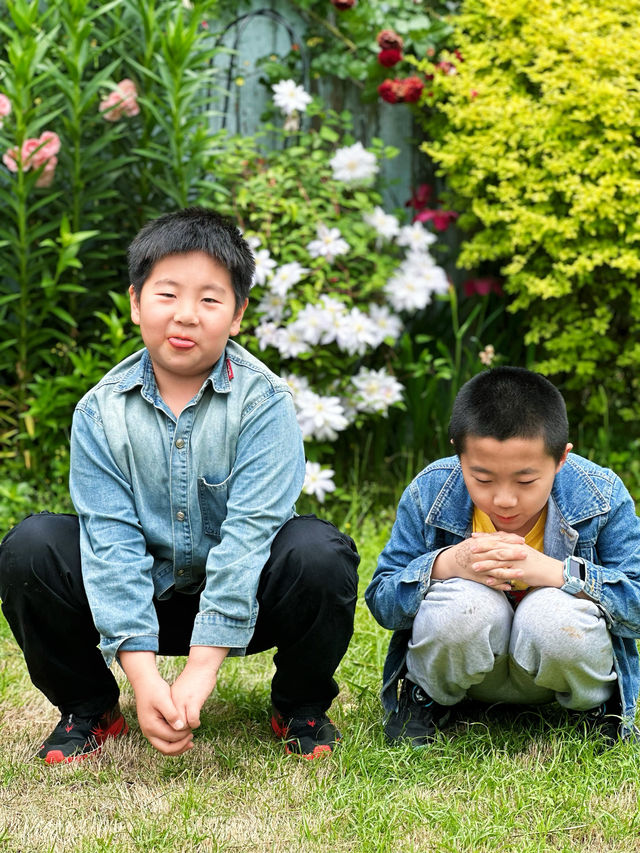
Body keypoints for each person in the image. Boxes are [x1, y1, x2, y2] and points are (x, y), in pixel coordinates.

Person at [0, 207, 359, 764]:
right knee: (31, 548)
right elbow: (110, 544)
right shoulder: (99, 412)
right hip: (138, 593)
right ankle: (91, 708)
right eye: (167, 295)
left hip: (243, 600)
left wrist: (199, 671)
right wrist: (147, 682)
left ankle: (299, 706)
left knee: (320, 554)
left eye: (210, 300)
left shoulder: (265, 404)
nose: (186, 316)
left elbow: (248, 538)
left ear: (238, 314)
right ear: (136, 303)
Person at [365, 366, 640, 747]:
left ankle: (594, 708)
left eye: (526, 481)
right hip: (468, 675)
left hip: (561, 666)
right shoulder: (431, 490)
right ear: (458, 455)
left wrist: (559, 574)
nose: (505, 499)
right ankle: (427, 698)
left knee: (551, 613)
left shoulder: (600, 495)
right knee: (467, 603)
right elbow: (382, 601)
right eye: (483, 479)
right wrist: (448, 565)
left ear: (561, 459)